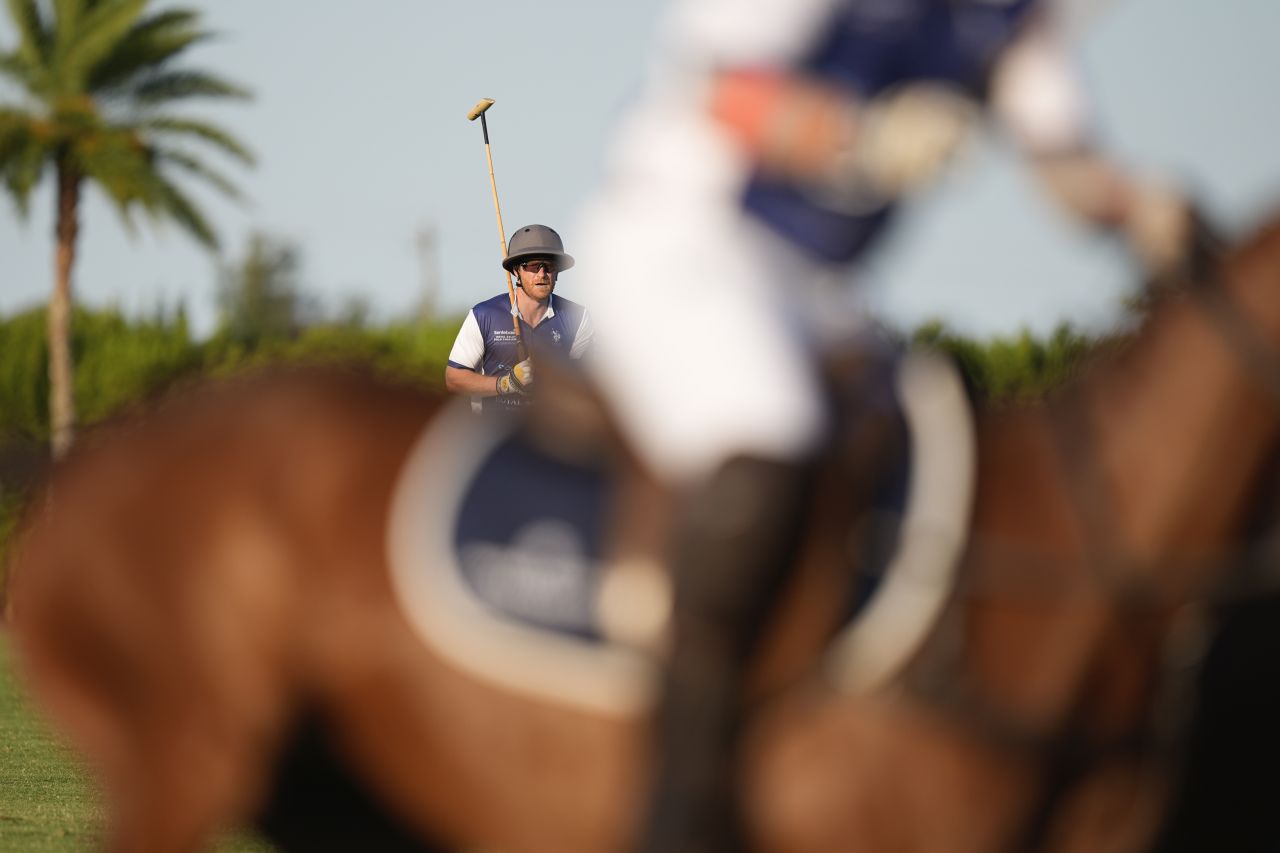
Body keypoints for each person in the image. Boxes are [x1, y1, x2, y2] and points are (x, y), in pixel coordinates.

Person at [568, 0, 1200, 849]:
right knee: (770, 432)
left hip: (818, 296)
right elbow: (724, 92)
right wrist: (858, 141)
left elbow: (1066, 162)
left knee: (946, 440)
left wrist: (1140, 208)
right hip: (681, 245)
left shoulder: (1005, 16)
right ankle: (680, 801)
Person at [445, 224, 594, 413]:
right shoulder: (483, 315)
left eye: (549, 266)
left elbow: (585, 385)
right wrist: (506, 383)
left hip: (550, 437)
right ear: (516, 271)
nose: (542, 274)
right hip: (495, 433)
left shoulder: (577, 318)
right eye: (533, 266)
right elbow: (453, 379)